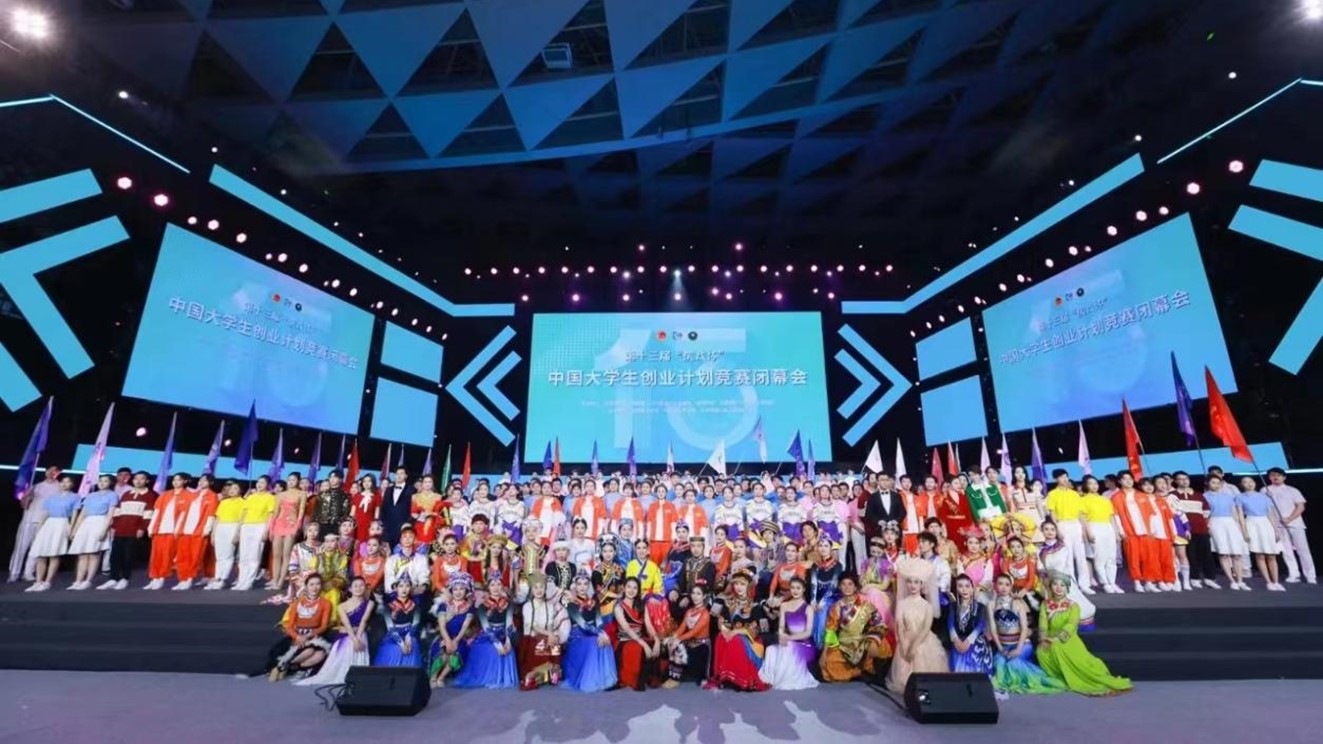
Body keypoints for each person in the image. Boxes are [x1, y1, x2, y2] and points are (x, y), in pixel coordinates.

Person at [1037, 572, 1132, 696]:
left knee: (1056, 648)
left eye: (1062, 585)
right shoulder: (1045, 604)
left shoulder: (1073, 606)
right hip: (1049, 638)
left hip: (1067, 640)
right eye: (1055, 584)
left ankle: (1078, 678)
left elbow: (1071, 625)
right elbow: (1043, 624)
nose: (1058, 588)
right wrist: (1043, 638)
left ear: (1067, 588)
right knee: (1041, 651)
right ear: (1050, 586)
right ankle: (1060, 676)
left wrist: (1056, 639)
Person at [988, 573, 1064, 695]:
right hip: (1004, 646)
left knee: (1013, 663)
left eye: (1007, 584)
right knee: (999, 662)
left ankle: (1038, 679)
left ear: (1011, 587)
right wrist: (1000, 648)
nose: (1003, 587)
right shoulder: (991, 605)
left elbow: (1024, 629)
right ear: (995, 586)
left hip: (1022, 645)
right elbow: (993, 629)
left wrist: (1018, 649)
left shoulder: (1018, 604)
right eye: (1000, 584)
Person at [295, 576, 375, 686]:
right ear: (350, 589)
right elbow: (347, 624)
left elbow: (364, 621)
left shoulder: (370, 603)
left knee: (361, 641)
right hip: (346, 635)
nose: (358, 588)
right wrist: (354, 639)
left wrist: (358, 638)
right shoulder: (341, 606)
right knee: (350, 644)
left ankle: (358, 674)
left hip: (361, 633)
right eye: (355, 586)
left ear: (365, 588)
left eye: (361, 586)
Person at [885, 556, 948, 694]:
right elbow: (900, 625)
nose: (912, 585)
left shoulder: (927, 606)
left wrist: (914, 645)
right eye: (910, 582)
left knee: (920, 655)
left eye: (916, 582)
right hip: (906, 639)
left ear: (922, 585)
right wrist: (903, 643)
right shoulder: (902, 604)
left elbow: (926, 628)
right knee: (903, 666)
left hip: (922, 640)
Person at [1111, 472, 1177, 592]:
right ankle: (1137, 582)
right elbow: (1116, 516)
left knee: (1149, 558)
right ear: (1119, 481)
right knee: (1133, 559)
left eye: (1130, 478)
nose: (1128, 481)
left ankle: (1149, 582)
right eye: (1125, 479)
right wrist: (1121, 531)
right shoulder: (1116, 497)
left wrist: (1152, 530)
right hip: (1130, 532)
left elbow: (1151, 514)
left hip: (1146, 532)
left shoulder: (1142, 495)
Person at [819, 573, 890, 684]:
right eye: (843, 584)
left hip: (863, 641)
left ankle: (868, 670)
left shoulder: (865, 604)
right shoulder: (836, 607)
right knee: (829, 662)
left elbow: (880, 624)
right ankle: (859, 672)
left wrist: (873, 640)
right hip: (845, 646)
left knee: (882, 645)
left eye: (850, 584)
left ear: (855, 586)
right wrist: (824, 653)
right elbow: (830, 631)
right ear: (839, 586)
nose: (847, 587)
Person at [452, 573, 518, 689]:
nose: (496, 588)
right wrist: (498, 645)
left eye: (498, 584)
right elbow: (486, 628)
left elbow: (508, 623)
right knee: (493, 650)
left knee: (509, 650)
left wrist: (508, 641)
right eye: (492, 585)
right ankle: (492, 678)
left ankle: (504, 679)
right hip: (487, 636)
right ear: (488, 588)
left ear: (502, 586)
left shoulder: (509, 604)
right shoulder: (482, 606)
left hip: (504, 633)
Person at [708, 569, 769, 691]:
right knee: (720, 637)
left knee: (735, 640)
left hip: (752, 642)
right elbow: (723, 621)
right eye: (736, 584)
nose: (739, 587)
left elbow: (761, 629)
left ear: (749, 586)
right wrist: (724, 630)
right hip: (731, 634)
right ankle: (724, 676)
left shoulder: (755, 605)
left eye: (742, 584)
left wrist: (736, 631)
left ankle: (739, 679)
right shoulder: (728, 602)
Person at [269, 573, 333, 681]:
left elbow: (324, 626)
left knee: (320, 654)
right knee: (309, 651)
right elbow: (288, 627)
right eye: (311, 584)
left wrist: (308, 636)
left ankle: (291, 667)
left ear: (321, 586)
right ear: (306, 586)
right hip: (297, 635)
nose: (315, 587)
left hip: (314, 635)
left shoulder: (326, 603)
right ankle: (283, 665)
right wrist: (298, 637)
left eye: (318, 584)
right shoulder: (298, 602)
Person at [562, 570, 618, 692]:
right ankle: (592, 680)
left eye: (585, 584)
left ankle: (606, 680)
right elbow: (583, 625)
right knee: (594, 642)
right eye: (579, 584)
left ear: (589, 586)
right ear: (575, 586)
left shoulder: (594, 602)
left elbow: (599, 622)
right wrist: (600, 633)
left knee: (605, 641)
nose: (582, 587)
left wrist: (602, 633)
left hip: (592, 633)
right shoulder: (571, 604)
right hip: (577, 637)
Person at [24, 475, 79, 592]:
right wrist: (40, 527)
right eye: (62, 482)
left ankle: (47, 582)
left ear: (72, 484)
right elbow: (46, 513)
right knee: (41, 554)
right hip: (49, 524)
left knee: (54, 554)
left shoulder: (75, 497)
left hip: (62, 523)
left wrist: (72, 528)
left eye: (68, 482)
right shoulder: (52, 497)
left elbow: (74, 513)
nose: (64, 484)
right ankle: (38, 581)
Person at [10, 465, 64, 583]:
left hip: (45, 521)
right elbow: (23, 505)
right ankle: (14, 572)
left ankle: (28, 572)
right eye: (49, 470)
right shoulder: (35, 486)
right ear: (45, 471)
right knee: (21, 547)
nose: (51, 472)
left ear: (58, 473)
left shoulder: (60, 488)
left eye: (54, 471)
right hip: (28, 520)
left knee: (36, 548)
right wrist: (26, 497)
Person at [1037, 521, 1095, 629]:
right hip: (1048, 580)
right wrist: (1044, 575)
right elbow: (1039, 566)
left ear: (1056, 532)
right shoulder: (1040, 549)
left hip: (1062, 578)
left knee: (1070, 598)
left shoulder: (1062, 547)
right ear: (1042, 531)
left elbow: (1061, 564)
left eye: (1052, 529)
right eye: (1046, 529)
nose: (1049, 532)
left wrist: (1052, 574)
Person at [144, 473, 197, 590]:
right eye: (174, 480)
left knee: (167, 555)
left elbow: (185, 514)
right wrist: (151, 527)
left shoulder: (189, 495)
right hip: (160, 529)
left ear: (185, 481)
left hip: (173, 531)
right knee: (155, 555)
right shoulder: (165, 494)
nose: (175, 482)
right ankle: (154, 577)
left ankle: (162, 577)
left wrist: (178, 529)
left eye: (179, 480)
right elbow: (157, 511)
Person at [66, 474, 118, 590]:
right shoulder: (90, 495)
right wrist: (75, 530)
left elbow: (110, 514)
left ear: (110, 483)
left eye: (105, 481)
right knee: (82, 554)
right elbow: (83, 513)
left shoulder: (112, 495)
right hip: (86, 523)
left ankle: (88, 580)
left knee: (94, 553)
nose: (102, 483)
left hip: (100, 522)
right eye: (100, 481)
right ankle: (78, 581)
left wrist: (104, 529)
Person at [518, 572, 570, 690]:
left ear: (545, 588)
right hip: (531, 639)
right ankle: (538, 674)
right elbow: (533, 626)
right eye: (535, 587)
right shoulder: (527, 606)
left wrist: (552, 636)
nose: (539, 590)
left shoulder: (549, 606)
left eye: (541, 587)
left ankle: (550, 673)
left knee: (554, 643)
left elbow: (550, 625)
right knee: (543, 643)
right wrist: (549, 634)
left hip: (545, 638)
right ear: (531, 590)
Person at [1265, 467, 1315, 584]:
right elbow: (1265, 508)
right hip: (1278, 525)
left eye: (1278, 475)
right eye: (1273, 475)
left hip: (1295, 524)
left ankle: (1310, 575)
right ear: (1269, 477)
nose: (1275, 477)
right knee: (1287, 551)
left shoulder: (1292, 490)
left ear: (1284, 477)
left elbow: (1301, 506)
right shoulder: (1265, 490)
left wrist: (1289, 518)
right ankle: (1294, 574)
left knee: (1303, 550)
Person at [1237, 476, 1285, 591]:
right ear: (1242, 485)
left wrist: (1275, 530)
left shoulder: (1264, 497)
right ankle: (1268, 582)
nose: (1249, 484)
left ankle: (1276, 582)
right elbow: (1241, 517)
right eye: (1245, 482)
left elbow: (1270, 514)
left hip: (1266, 523)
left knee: (1272, 555)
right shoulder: (1239, 497)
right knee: (1260, 555)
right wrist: (1244, 532)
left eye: (1251, 481)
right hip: (1252, 523)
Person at [1045, 470, 1090, 590]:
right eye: (1061, 477)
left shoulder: (1074, 494)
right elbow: (1052, 513)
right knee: (1067, 556)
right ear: (1056, 479)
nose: (1065, 479)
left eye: (1066, 476)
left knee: (1081, 555)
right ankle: (1072, 584)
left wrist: (1083, 529)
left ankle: (1085, 584)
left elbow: (1080, 513)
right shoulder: (1052, 494)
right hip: (1063, 524)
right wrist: (1057, 529)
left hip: (1076, 524)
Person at [1172, 472, 1219, 589]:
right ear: (1175, 481)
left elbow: (1206, 511)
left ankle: (1209, 578)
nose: (1184, 481)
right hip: (1185, 530)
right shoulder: (1173, 495)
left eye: (1186, 478)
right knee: (1191, 555)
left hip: (1201, 529)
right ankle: (1194, 578)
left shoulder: (1198, 495)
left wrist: (1205, 524)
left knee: (1206, 554)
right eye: (1180, 479)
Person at [1204, 475, 1251, 591]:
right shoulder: (1205, 496)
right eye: (1213, 482)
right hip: (1215, 523)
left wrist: (1238, 526)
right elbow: (1205, 514)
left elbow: (1234, 512)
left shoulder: (1228, 496)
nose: (1216, 485)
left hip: (1230, 523)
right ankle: (1232, 581)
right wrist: (1207, 527)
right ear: (1208, 484)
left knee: (1236, 553)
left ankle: (1240, 581)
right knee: (1223, 553)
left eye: (1218, 483)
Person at [615, 576, 662, 690]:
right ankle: (639, 681)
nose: (631, 590)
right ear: (624, 588)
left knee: (655, 645)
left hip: (639, 638)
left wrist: (657, 640)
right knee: (640, 648)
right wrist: (644, 644)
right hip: (625, 640)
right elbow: (627, 629)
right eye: (629, 587)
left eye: (635, 588)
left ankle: (650, 678)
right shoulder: (618, 607)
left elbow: (649, 626)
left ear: (638, 590)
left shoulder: (642, 606)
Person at [663, 583, 713, 688]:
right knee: (671, 644)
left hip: (701, 647)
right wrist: (673, 637)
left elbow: (693, 632)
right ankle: (672, 676)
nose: (695, 596)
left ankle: (675, 679)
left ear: (704, 596)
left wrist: (677, 640)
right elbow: (682, 628)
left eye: (698, 594)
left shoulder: (705, 614)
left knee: (678, 649)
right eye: (693, 593)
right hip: (689, 643)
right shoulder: (689, 611)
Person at [1080, 476, 1122, 594]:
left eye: (1095, 483)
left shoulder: (1105, 499)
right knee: (1100, 557)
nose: (1094, 486)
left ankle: (1112, 582)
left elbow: (1111, 517)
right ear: (1086, 486)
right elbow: (1083, 518)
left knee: (1111, 557)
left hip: (1107, 527)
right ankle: (1105, 583)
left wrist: (1116, 532)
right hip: (1094, 526)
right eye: (1090, 484)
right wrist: (1088, 532)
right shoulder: (1083, 500)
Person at [234, 477, 277, 591]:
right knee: (244, 555)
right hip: (246, 526)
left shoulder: (270, 497)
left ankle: (249, 581)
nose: (259, 484)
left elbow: (270, 515)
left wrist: (266, 530)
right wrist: (239, 528)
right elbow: (244, 513)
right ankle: (241, 580)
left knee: (254, 555)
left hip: (259, 526)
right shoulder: (251, 497)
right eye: (258, 482)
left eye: (262, 482)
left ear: (268, 485)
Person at [267, 473, 307, 590]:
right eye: (289, 480)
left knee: (286, 554)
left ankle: (281, 581)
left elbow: (301, 512)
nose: (291, 482)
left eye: (293, 480)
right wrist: (271, 528)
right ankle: (275, 580)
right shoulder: (280, 495)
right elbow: (275, 513)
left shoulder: (302, 494)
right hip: (279, 524)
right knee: (276, 555)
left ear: (298, 481)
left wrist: (297, 527)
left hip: (291, 525)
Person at [948, 574, 993, 675]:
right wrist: (956, 640)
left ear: (972, 588)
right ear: (956, 588)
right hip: (958, 640)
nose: (964, 589)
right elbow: (950, 624)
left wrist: (968, 641)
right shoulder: (953, 606)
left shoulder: (980, 607)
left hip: (976, 641)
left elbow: (980, 625)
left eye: (967, 586)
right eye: (960, 586)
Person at [374, 576, 423, 667]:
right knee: (395, 649)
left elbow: (415, 624)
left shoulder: (415, 605)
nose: (404, 589)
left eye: (407, 586)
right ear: (396, 588)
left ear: (411, 588)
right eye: (401, 586)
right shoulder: (388, 606)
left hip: (410, 633)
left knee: (413, 646)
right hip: (393, 634)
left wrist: (408, 639)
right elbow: (390, 627)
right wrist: (401, 644)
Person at [205, 481, 245, 589]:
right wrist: (213, 534)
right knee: (219, 556)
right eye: (231, 489)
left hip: (232, 527)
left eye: (235, 488)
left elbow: (241, 520)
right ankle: (217, 578)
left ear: (240, 491)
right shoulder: (223, 502)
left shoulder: (243, 502)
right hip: (220, 528)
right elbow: (217, 518)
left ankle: (223, 579)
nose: (232, 490)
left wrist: (237, 534)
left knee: (228, 555)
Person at [313, 470, 351, 540]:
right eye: (330, 477)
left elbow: (346, 512)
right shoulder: (322, 494)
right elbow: (316, 511)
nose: (332, 479)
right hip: (322, 524)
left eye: (335, 477)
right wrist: (315, 523)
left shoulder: (345, 496)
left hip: (336, 525)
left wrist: (341, 524)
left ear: (340, 479)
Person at [350, 474, 382, 543]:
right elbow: (352, 512)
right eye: (364, 481)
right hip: (357, 525)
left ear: (373, 482)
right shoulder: (357, 496)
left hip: (370, 525)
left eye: (369, 481)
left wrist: (375, 523)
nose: (366, 483)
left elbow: (377, 512)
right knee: (357, 543)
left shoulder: (377, 496)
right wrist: (350, 523)